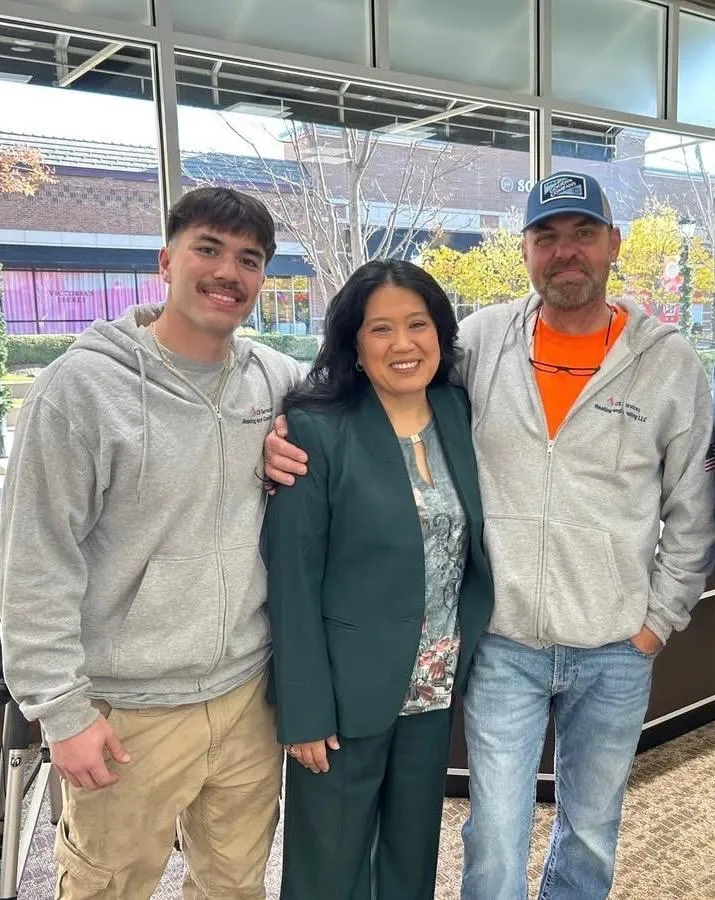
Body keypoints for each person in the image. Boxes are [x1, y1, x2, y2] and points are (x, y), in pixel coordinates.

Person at [263, 172, 715, 900]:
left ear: (612, 245)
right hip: (501, 645)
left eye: (582, 234)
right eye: (546, 237)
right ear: (526, 250)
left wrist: (658, 623)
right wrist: (275, 427)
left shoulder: (667, 366)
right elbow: (373, 372)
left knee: (591, 831)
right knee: (494, 840)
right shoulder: (480, 340)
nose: (565, 252)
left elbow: (694, 507)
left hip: (614, 647)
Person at [0, 186, 305, 898]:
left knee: (234, 884)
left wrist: (294, 436)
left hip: (245, 698)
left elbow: (355, 399)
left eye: (249, 259)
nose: (228, 272)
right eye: (208, 249)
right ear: (166, 261)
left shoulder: (273, 380)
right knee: (107, 886)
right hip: (125, 706)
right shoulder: (80, 390)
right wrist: (62, 711)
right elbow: (33, 562)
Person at [263, 259, 493, 900]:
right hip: (341, 697)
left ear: (440, 334)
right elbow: (293, 577)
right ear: (355, 347)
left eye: (417, 324)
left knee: (410, 857)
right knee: (328, 869)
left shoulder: (456, 411)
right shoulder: (315, 429)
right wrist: (304, 709)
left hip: (433, 684)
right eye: (381, 329)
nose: (402, 344)